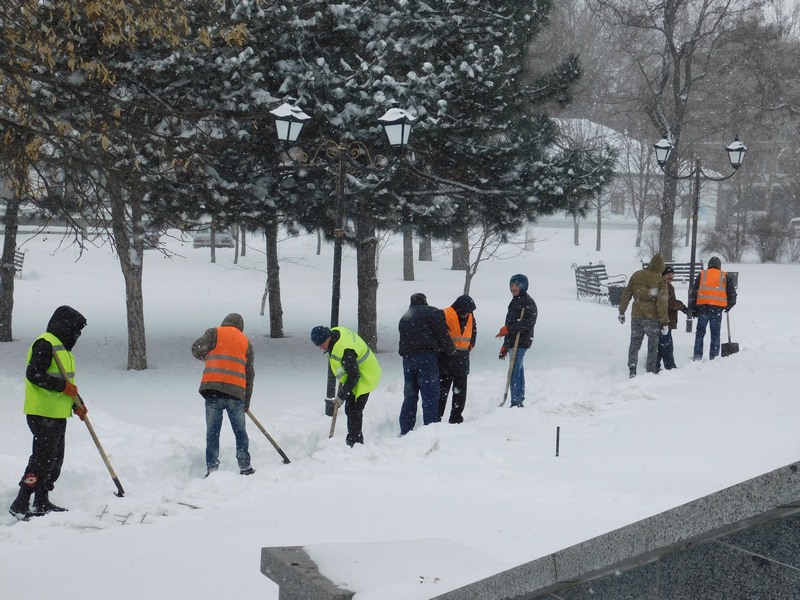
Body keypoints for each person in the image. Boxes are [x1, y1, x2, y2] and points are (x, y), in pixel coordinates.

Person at [9, 305, 88, 520]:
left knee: (54, 460)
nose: (77, 335)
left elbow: (66, 382)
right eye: (75, 330)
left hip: (57, 412)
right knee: (42, 460)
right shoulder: (45, 344)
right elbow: (34, 374)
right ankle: (21, 502)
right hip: (42, 413)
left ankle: (41, 501)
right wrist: (63, 388)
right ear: (64, 326)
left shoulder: (62, 349)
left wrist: (76, 404)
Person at [191, 313, 255, 477]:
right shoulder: (246, 342)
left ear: (225, 322)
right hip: (236, 394)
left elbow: (196, 348)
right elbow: (250, 375)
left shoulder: (214, 333)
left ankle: (212, 469)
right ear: (240, 326)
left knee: (213, 433)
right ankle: (245, 466)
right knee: (240, 432)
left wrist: (206, 358)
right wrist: (246, 403)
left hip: (213, 390)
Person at [310, 325, 381, 446]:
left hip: (365, 376)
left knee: (354, 411)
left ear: (328, 337)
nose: (321, 348)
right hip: (354, 375)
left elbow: (354, 375)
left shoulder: (345, 349)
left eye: (321, 344)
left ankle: (356, 443)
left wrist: (342, 396)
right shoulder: (335, 334)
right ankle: (353, 441)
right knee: (350, 410)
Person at [398, 293, 455, 435]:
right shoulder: (432, 312)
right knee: (430, 394)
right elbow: (442, 334)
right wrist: (451, 350)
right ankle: (430, 429)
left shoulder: (404, 317)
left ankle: (406, 429)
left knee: (410, 395)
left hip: (408, 360)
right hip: (426, 358)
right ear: (425, 301)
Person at [617, 255, 669, 378]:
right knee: (653, 345)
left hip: (636, 315)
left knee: (634, 342)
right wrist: (665, 322)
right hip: (652, 318)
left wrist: (622, 311)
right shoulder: (660, 281)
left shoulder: (637, 275)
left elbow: (626, 294)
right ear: (661, 268)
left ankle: (632, 368)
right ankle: (650, 371)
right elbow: (662, 303)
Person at [496, 274, 538, 407]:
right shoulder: (515, 300)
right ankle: (519, 398)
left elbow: (528, 323)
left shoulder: (528, 302)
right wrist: (505, 344)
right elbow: (511, 322)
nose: (514, 288)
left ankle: (516, 401)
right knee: (517, 369)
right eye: (512, 285)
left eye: (517, 285)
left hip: (521, 341)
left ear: (523, 286)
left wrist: (508, 329)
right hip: (513, 341)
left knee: (514, 369)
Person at [688, 256, 737, 361]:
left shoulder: (702, 274)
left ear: (709, 265)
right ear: (719, 266)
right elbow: (732, 295)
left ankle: (697, 355)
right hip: (717, 309)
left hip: (703, 308)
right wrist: (728, 306)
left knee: (700, 333)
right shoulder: (725, 276)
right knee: (715, 334)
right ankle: (714, 356)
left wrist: (694, 309)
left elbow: (693, 293)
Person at [438, 295, 477, 424]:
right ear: (458, 308)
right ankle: (437, 418)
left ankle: (456, 417)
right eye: (464, 312)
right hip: (446, 358)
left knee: (460, 392)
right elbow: (439, 334)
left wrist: (472, 342)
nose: (466, 315)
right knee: (442, 391)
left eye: (468, 312)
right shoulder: (444, 314)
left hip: (462, 357)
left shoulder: (470, 315)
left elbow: (473, 329)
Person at [658, 266, 688, 371]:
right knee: (666, 345)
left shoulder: (667, 285)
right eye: (668, 275)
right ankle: (670, 367)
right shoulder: (663, 285)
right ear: (663, 275)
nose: (671, 277)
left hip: (666, 319)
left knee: (661, 345)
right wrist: (682, 307)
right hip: (664, 320)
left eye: (672, 275)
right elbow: (668, 302)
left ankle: (656, 365)